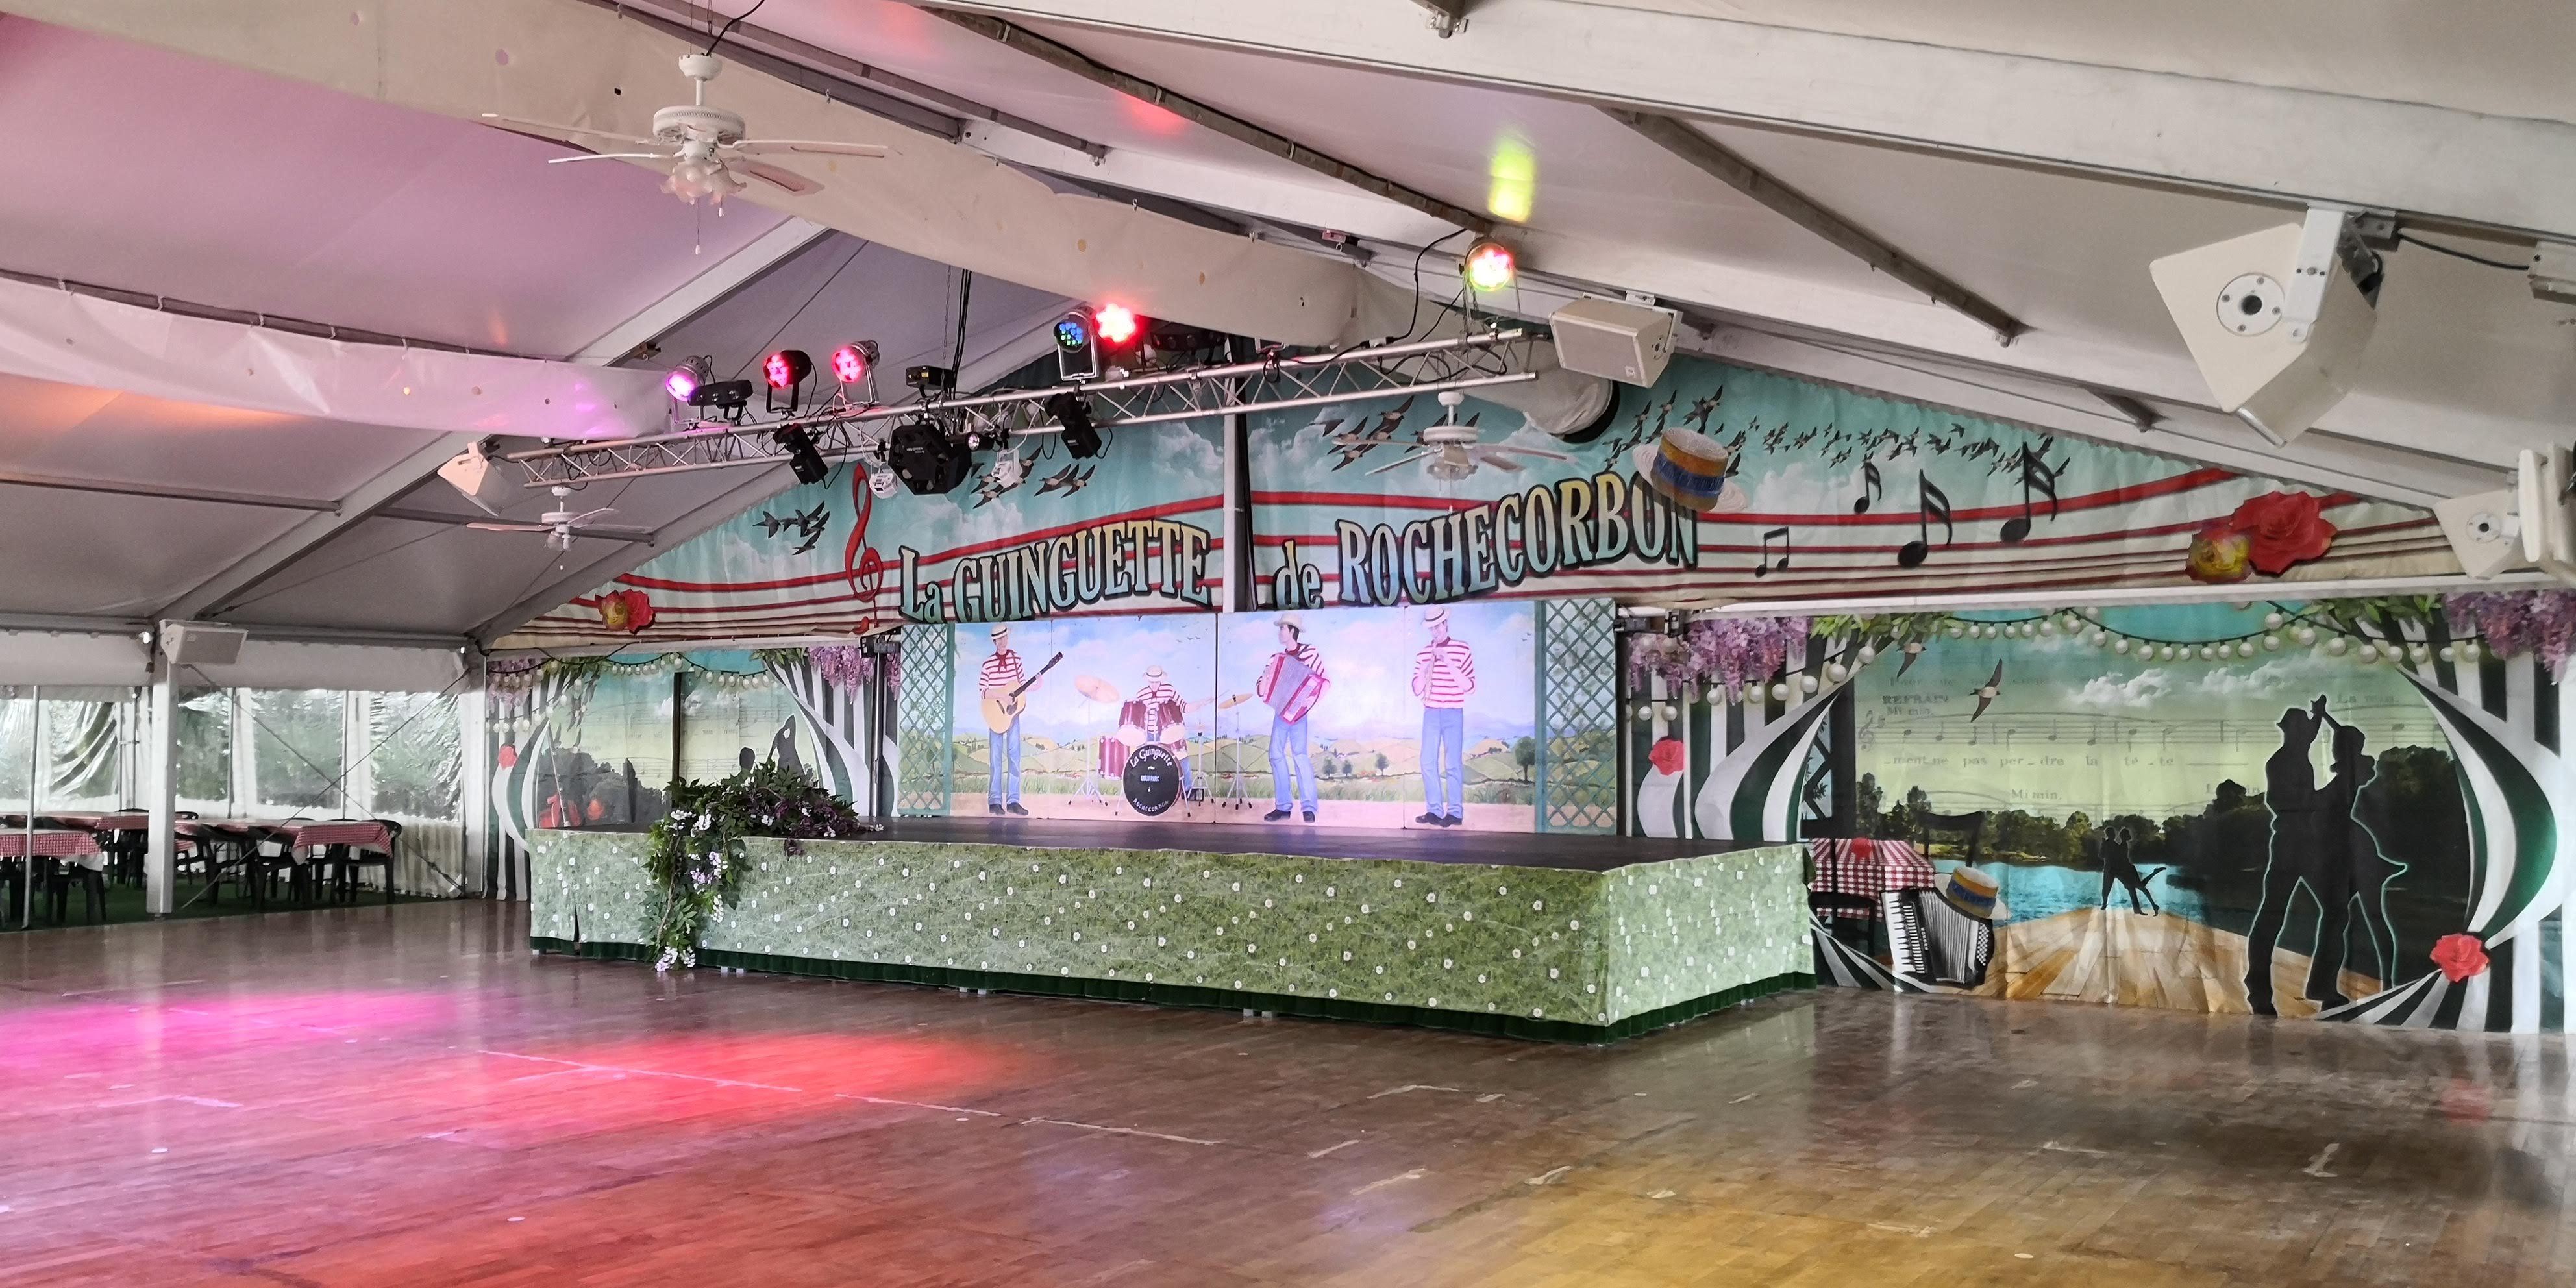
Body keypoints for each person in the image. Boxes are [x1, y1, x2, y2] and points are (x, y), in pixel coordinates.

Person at [2243, 698, 2327, 1015]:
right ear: (2291, 730)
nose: (2307, 732)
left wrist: (2318, 714)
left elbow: (2313, 732)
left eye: (2307, 728)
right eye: (2302, 727)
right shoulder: (2279, 762)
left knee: (2333, 907)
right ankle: (2258, 983)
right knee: (2273, 913)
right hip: (2290, 843)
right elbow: (2277, 800)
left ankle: (2322, 985)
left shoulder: (2301, 749)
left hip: (2307, 842)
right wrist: (2319, 798)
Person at [1257, 614, 1327, 822]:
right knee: (1275, 754)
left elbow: (1324, 681)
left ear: (1292, 631)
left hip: (1299, 712)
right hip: (1281, 711)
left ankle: (1309, 807)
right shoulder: (1276, 659)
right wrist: (1266, 678)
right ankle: (1283, 807)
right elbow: (1261, 689)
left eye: (1282, 629)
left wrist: (1310, 701)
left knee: (1299, 754)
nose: (1280, 632)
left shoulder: (1310, 653)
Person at [1411, 606, 1476, 827]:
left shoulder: (1462, 649)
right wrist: (1424, 670)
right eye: (1431, 628)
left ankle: (1455, 812)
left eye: (1438, 626)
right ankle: (1434, 811)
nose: (1435, 631)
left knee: (1452, 762)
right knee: (1427, 761)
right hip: (1430, 712)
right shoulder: (1423, 653)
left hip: (1453, 712)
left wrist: (1448, 661)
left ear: (1446, 624)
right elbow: (1416, 690)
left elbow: (1470, 686)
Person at [978, 625, 1034, 816]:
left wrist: (1034, 686)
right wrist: (1001, 697)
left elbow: (1021, 685)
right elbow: (983, 692)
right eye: (1000, 639)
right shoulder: (988, 664)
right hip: (995, 714)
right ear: (994, 642)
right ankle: (995, 801)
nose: (1003, 641)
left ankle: (1013, 801)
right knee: (995, 757)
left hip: (1012, 715)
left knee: (1014, 755)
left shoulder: (1016, 659)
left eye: (1005, 637)